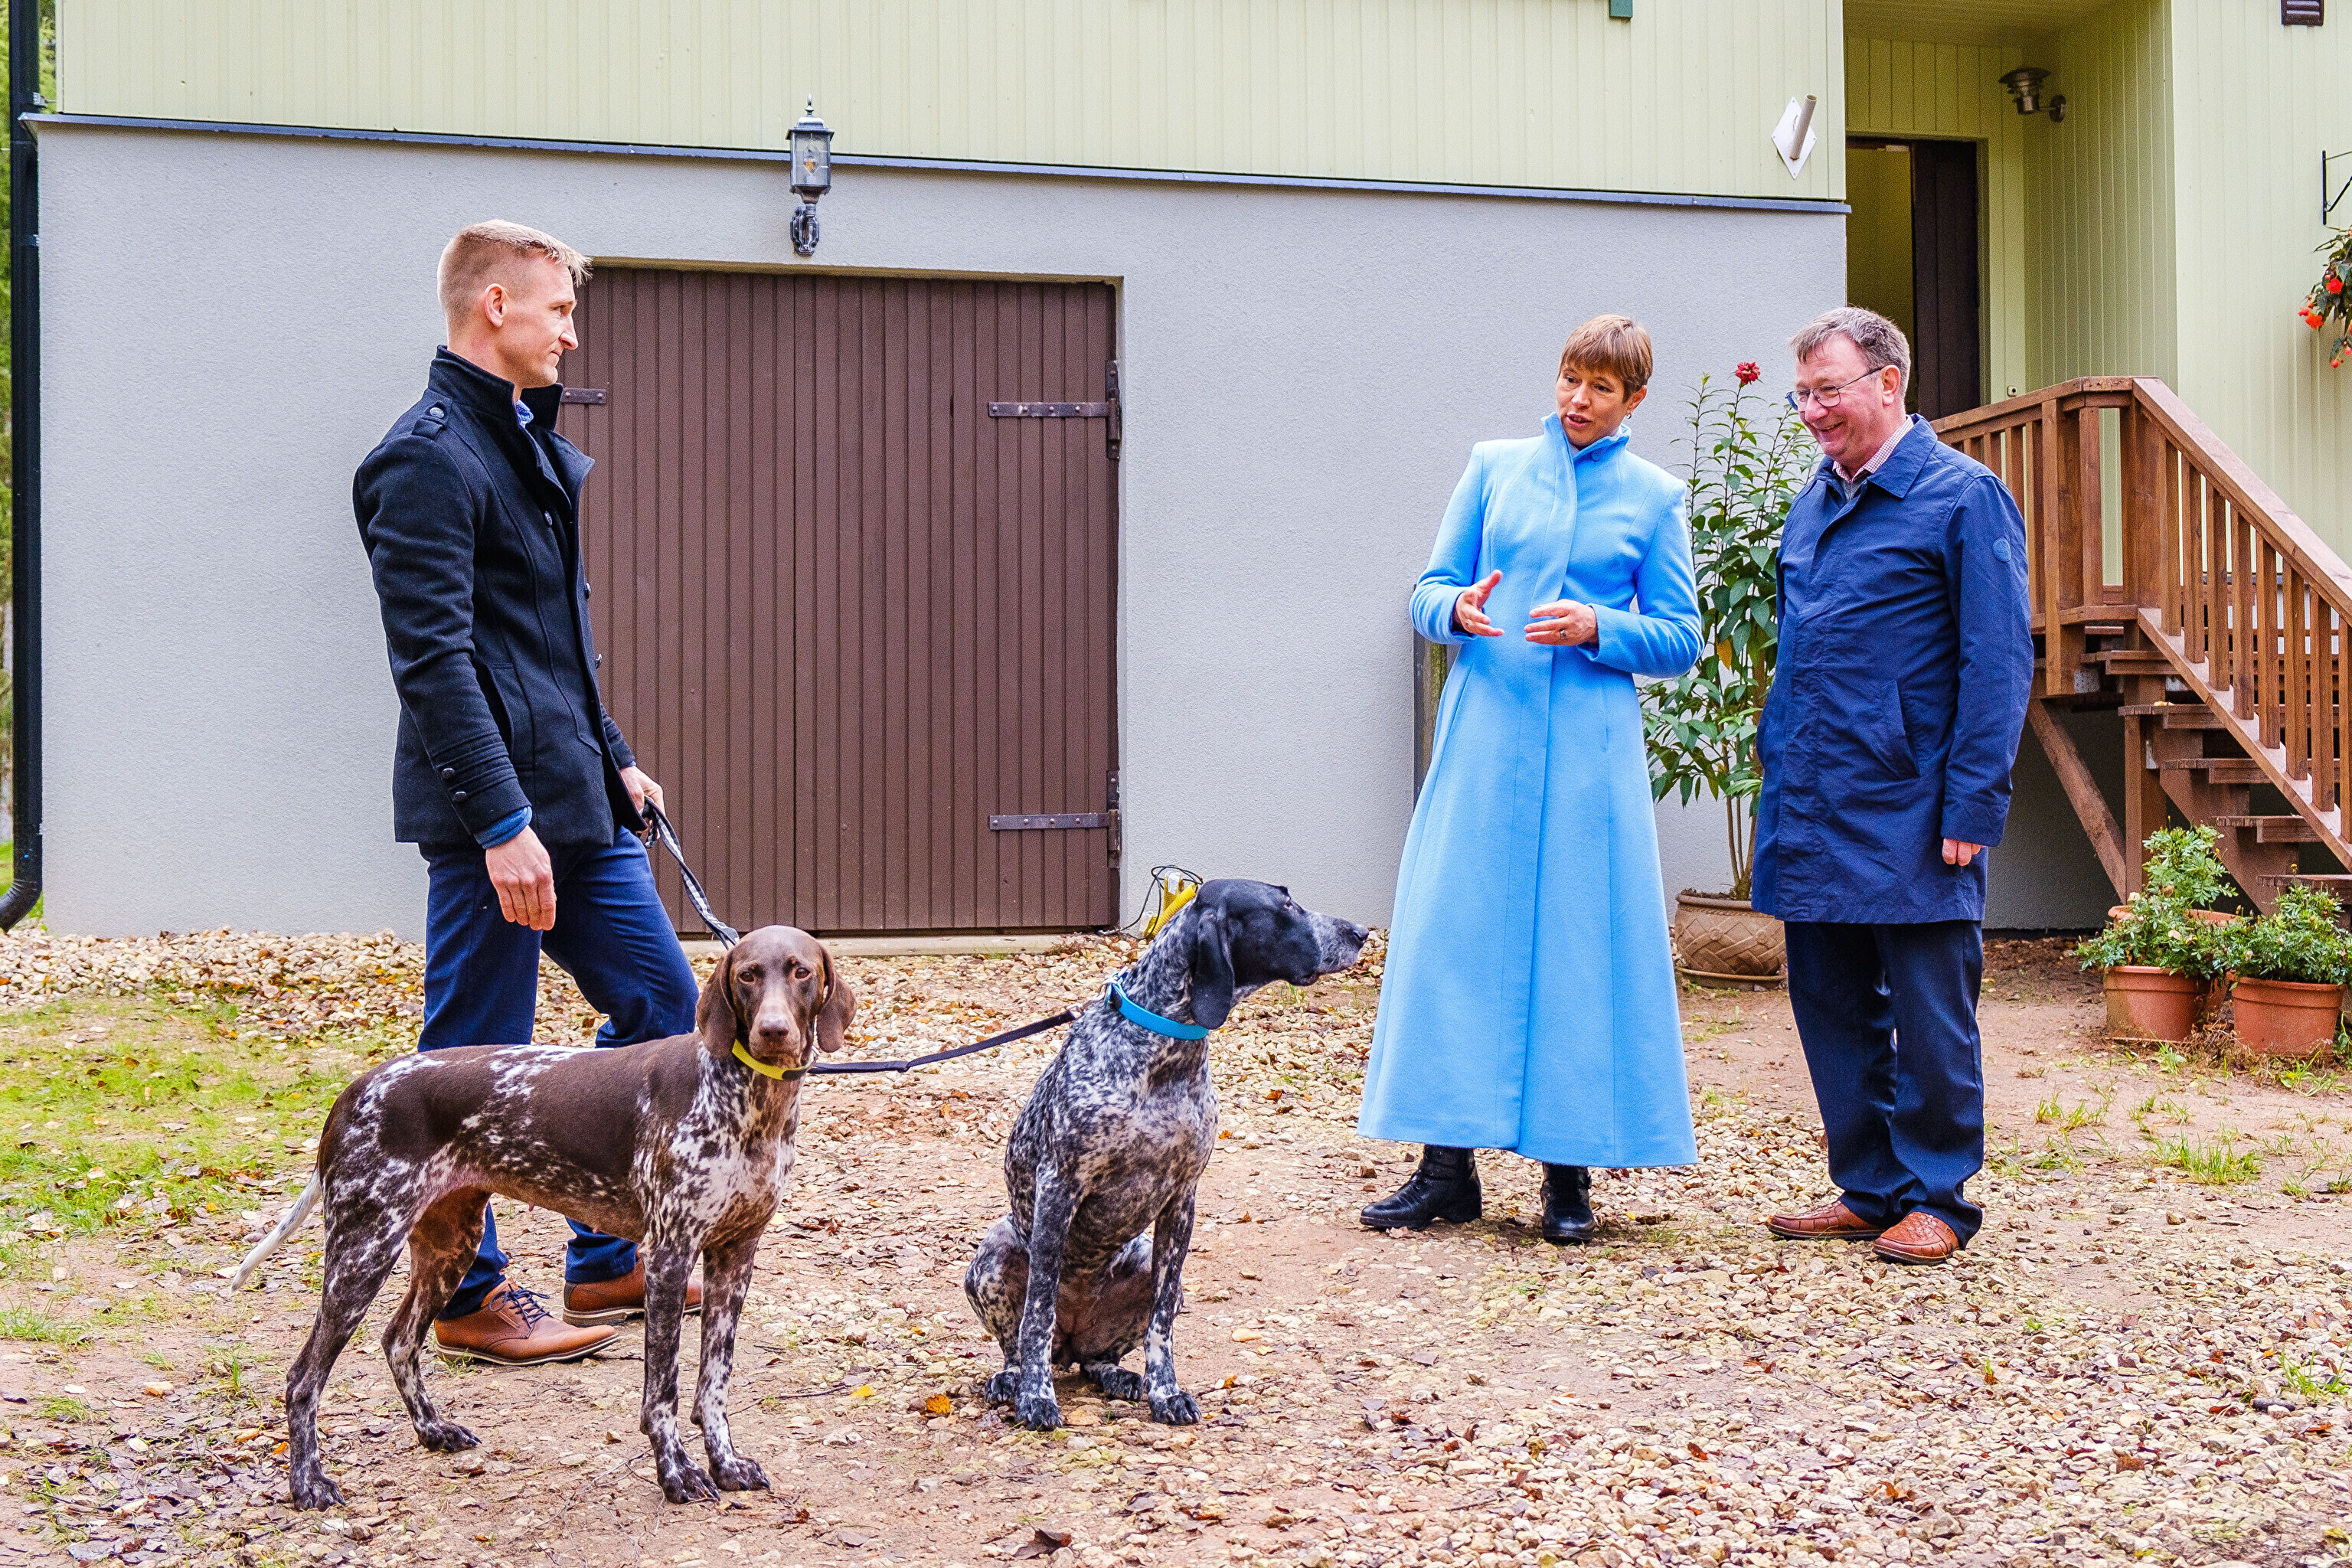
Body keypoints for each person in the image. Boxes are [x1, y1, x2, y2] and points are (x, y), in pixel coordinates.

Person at [354, 220, 704, 1363]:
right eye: (558, 310)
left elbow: (548, 643)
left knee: (664, 1004)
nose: (570, 333)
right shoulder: (425, 457)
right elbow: (436, 662)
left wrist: (612, 754)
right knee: (473, 1056)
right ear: (494, 305)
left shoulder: (516, 440)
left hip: (579, 802)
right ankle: (465, 1294)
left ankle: (609, 1256)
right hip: (492, 821)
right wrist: (502, 823)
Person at [1357, 315, 1703, 1243]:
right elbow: (1428, 589)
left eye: (1600, 387)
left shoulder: (1654, 498)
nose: (1578, 400)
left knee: (1579, 947)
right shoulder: (1493, 468)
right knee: (1455, 933)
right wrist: (1455, 609)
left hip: (1591, 752)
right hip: (1486, 734)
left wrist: (1600, 626)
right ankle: (1445, 1170)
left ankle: (1568, 1175)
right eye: (1568, 378)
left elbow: (1682, 638)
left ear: (1634, 399)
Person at [1754, 306, 2034, 1267]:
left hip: (1914, 805)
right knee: (1830, 1003)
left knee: (1928, 1009)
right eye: (1802, 394)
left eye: (1827, 390)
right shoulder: (1814, 502)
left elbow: (1998, 663)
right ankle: (1869, 1186)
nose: (1811, 411)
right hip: (1814, 800)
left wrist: (1974, 801)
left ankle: (1939, 1196)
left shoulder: (1963, 497)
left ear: (1888, 382)